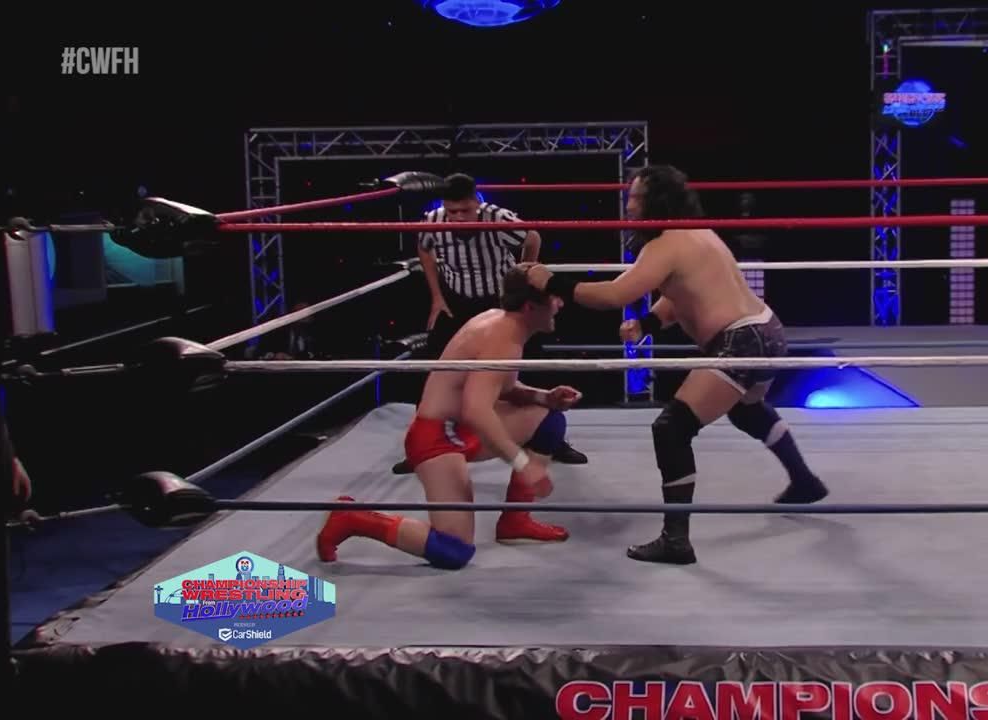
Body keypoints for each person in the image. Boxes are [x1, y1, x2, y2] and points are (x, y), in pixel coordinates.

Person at [526, 165, 827, 565]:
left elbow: (613, 295)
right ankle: (804, 481)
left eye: (636, 197)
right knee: (747, 409)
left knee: (671, 429)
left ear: (657, 200)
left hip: (739, 340)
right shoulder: (698, 232)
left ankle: (676, 540)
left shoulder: (665, 243)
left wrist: (550, 282)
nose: (628, 204)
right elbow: (681, 292)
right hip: (766, 329)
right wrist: (647, 324)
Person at [316, 264, 582, 569]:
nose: (560, 303)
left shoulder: (505, 326)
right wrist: (524, 465)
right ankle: (353, 518)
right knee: (454, 551)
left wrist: (544, 397)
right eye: (554, 297)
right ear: (530, 307)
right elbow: (477, 410)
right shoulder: (501, 338)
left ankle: (515, 521)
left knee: (549, 418)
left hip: (462, 427)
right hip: (437, 437)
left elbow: (503, 388)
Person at [390, 172, 588, 472]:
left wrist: (524, 278)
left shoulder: (497, 217)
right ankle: (420, 446)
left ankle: (553, 438)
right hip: (457, 299)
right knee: (436, 368)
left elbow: (532, 237)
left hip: (500, 300)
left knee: (531, 362)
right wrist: (437, 297)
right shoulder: (434, 220)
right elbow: (424, 247)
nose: (458, 218)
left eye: (465, 210)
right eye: (452, 211)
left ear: (477, 202)